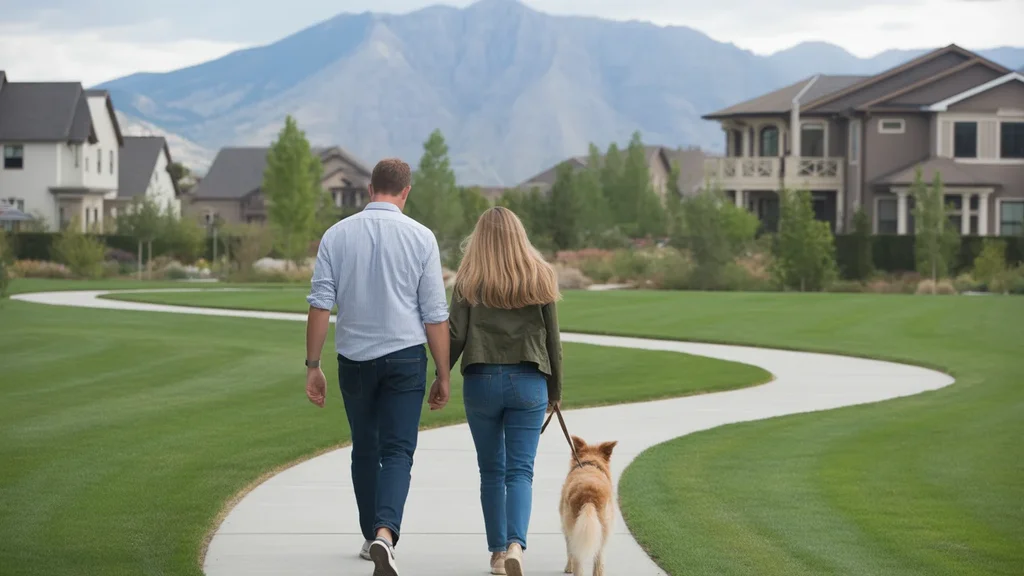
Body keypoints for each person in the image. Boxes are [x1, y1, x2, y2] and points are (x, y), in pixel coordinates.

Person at [304, 158, 451, 576]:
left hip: (354, 358)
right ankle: (386, 532)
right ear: (405, 192)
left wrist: (313, 366)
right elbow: (435, 314)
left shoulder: (336, 235)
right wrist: (443, 373)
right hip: (406, 356)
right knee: (398, 450)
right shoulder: (422, 238)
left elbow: (319, 304)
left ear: (370, 189)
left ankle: (372, 537)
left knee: (364, 448)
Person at [447, 206, 563, 576]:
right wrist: (555, 390)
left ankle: (497, 555)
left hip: (481, 381)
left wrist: (439, 376)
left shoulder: (469, 279)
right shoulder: (540, 276)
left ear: (479, 238)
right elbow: (553, 342)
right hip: (529, 381)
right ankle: (516, 545)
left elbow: (455, 336)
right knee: (520, 472)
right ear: (519, 235)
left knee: (491, 471)